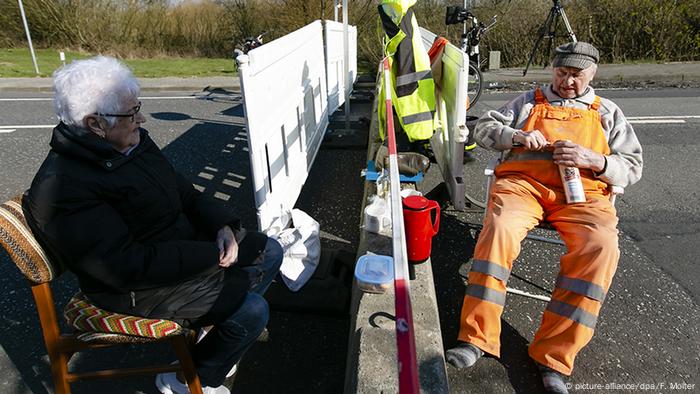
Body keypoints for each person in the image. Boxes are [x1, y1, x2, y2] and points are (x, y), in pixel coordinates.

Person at [22, 56, 283, 394]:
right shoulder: (63, 188)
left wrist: (222, 227)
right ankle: (187, 379)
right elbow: (126, 267)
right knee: (250, 311)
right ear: (95, 124)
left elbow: (183, 192)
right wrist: (210, 256)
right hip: (134, 288)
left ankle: (215, 339)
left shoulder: (129, 143)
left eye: (138, 108)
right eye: (131, 113)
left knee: (270, 250)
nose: (141, 118)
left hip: (176, 251)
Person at [445, 42, 643, 393]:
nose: (568, 82)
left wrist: (596, 161)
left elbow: (632, 166)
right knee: (499, 229)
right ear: (554, 70)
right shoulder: (527, 102)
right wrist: (516, 135)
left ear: (592, 74)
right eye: (562, 73)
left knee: (601, 248)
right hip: (524, 189)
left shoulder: (607, 112)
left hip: (583, 197)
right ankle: (476, 337)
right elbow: (483, 129)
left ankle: (553, 358)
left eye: (576, 75)